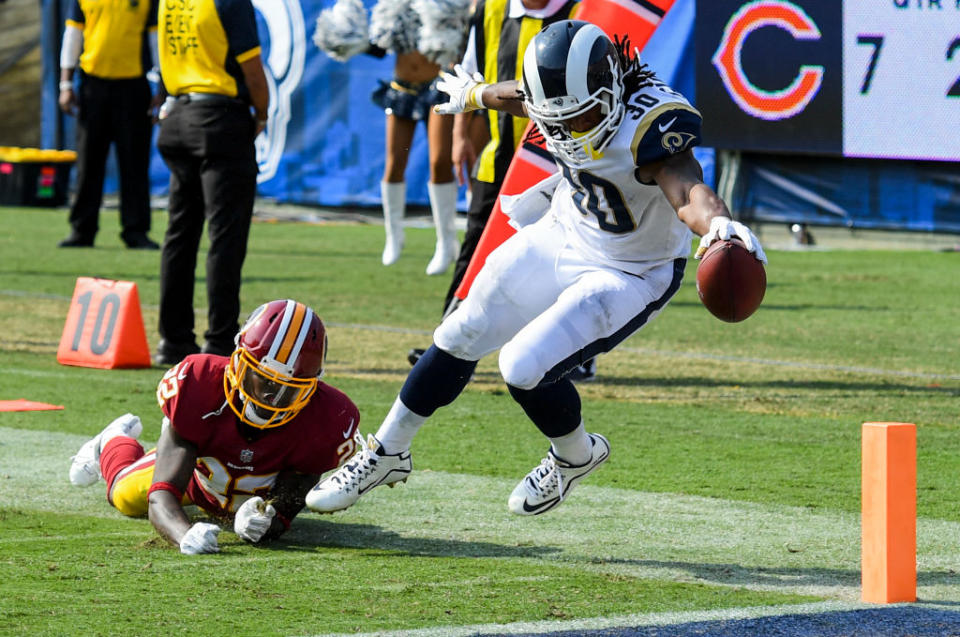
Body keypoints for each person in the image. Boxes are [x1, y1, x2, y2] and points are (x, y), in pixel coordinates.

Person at [306, 21, 767, 517]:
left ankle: (575, 456)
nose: (572, 129)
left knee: (522, 366)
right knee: (461, 328)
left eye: (585, 114)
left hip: (631, 270)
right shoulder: (559, 96)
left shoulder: (649, 121)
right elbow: (522, 96)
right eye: (559, 118)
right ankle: (388, 452)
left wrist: (718, 223)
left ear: (610, 86)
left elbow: (685, 188)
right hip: (565, 230)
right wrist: (476, 93)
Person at [68, 300, 360, 554]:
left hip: (246, 490)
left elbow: (290, 502)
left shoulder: (327, 419)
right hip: (198, 480)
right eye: (263, 380)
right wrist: (184, 535)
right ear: (238, 360)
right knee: (124, 496)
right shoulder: (199, 386)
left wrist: (269, 520)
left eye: (289, 390)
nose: (271, 399)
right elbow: (162, 497)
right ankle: (112, 440)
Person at [404, 0, 580, 366]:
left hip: (561, 165)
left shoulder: (582, 10)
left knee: (566, 259)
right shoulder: (489, 10)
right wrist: (460, 137)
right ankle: (446, 347)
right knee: (475, 252)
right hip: (498, 159)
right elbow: (467, 76)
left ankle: (575, 355)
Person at [152, 0, 270, 366]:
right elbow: (252, 69)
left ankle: (173, 341)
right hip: (219, 117)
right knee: (225, 237)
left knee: (179, 235)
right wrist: (262, 112)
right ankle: (219, 340)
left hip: (178, 114)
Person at [56, 0, 160, 249]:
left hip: (134, 87)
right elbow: (73, 35)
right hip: (94, 86)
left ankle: (135, 231)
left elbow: (156, 40)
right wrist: (66, 85)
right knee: (88, 161)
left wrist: (162, 84)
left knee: (134, 163)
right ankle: (82, 229)